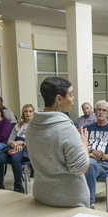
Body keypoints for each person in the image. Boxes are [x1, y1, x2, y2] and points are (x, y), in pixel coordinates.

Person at [26, 77, 90, 207]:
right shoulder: (66, 128)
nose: (73, 99)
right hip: (69, 200)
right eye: (71, 95)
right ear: (59, 99)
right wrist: (84, 143)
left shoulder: (32, 125)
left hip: (42, 195)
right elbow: (81, 167)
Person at [84, 100, 108, 209]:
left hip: (104, 162)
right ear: (95, 112)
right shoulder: (87, 129)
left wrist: (103, 157)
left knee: (88, 167)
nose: (101, 112)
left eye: (104, 110)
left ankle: (89, 202)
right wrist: (92, 151)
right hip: (86, 159)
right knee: (82, 166)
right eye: (99, 110)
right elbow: (81, 147)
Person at [0, 104, 34, 193]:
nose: (28, 113)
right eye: (26, 111)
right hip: (15, 146)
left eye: (30, 111)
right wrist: (13, 144)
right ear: (23, 113)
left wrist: (22, 143)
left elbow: (37, 141)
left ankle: (18, 184)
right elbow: (10, 140)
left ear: (34, 113)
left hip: (28, 148)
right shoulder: (18, 125)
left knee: (15, 158)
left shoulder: (37, 125)